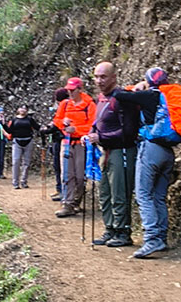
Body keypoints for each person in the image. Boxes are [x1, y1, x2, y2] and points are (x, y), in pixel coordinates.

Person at [124, 67, 181, 259]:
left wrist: (136, 87)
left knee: (143, 194)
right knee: (158, 196)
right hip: (168, 151)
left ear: (148, 81)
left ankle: (151, 238)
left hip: (150, 149)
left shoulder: (150, 96)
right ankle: (161, 237)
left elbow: (120, 95)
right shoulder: (172, 96)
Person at [86, 62, 148, 247]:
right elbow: (99, 123)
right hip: (105, 151)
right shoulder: (101, 98)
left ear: (114, 77)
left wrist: (101, 137)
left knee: (119, 193)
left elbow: (129, 131)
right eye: (96, 77)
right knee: (105, 192)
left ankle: (123, 232)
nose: (99, 81)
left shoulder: (123, 98)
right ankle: (110, 229)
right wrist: (91, 134)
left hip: (122, 151)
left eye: (103, 77)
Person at [53, 78, 96, 217]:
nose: (70, 93)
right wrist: (63, 122)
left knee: (79, 176)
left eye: (73, 90)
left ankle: (76, 201)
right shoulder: (65, 104)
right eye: (68, 90)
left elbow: (93, 125)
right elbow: (57, 120)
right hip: (66, 142)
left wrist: (76, 130)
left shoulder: (89, 105)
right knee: (66, 174)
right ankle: (68, 204)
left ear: (80, 89)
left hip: (82, 144)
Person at [41, 88, 70, 200]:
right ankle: (60, 189)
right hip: (58, 139)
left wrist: (47, 130)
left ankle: (62, 191)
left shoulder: (65, 105)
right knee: (58, 166)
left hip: (61, 139)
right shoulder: (66, 105)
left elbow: (58, 125)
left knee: (60, 166)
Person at [4, 105, 40, 189]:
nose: (22, 110)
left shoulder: (30, 119)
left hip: (28, 141)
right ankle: (15, 182)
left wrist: (46, 129)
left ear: (27, 110)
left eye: (24, 108)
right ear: (18, 109)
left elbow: (37, 127)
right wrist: (3, 124)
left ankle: (24, 181)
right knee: (16, 161)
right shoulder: (14, 120)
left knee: (26, 162)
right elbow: (9, 130)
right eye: (21, 108)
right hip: (17, 141)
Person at [0, 107, 7, 179]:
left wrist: (3, 123)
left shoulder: (4, 122)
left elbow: (7, 130)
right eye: (0, 113)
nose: (1, 115)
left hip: (2, 140)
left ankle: (0, 173)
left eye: (3, 113)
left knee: (1, 157)